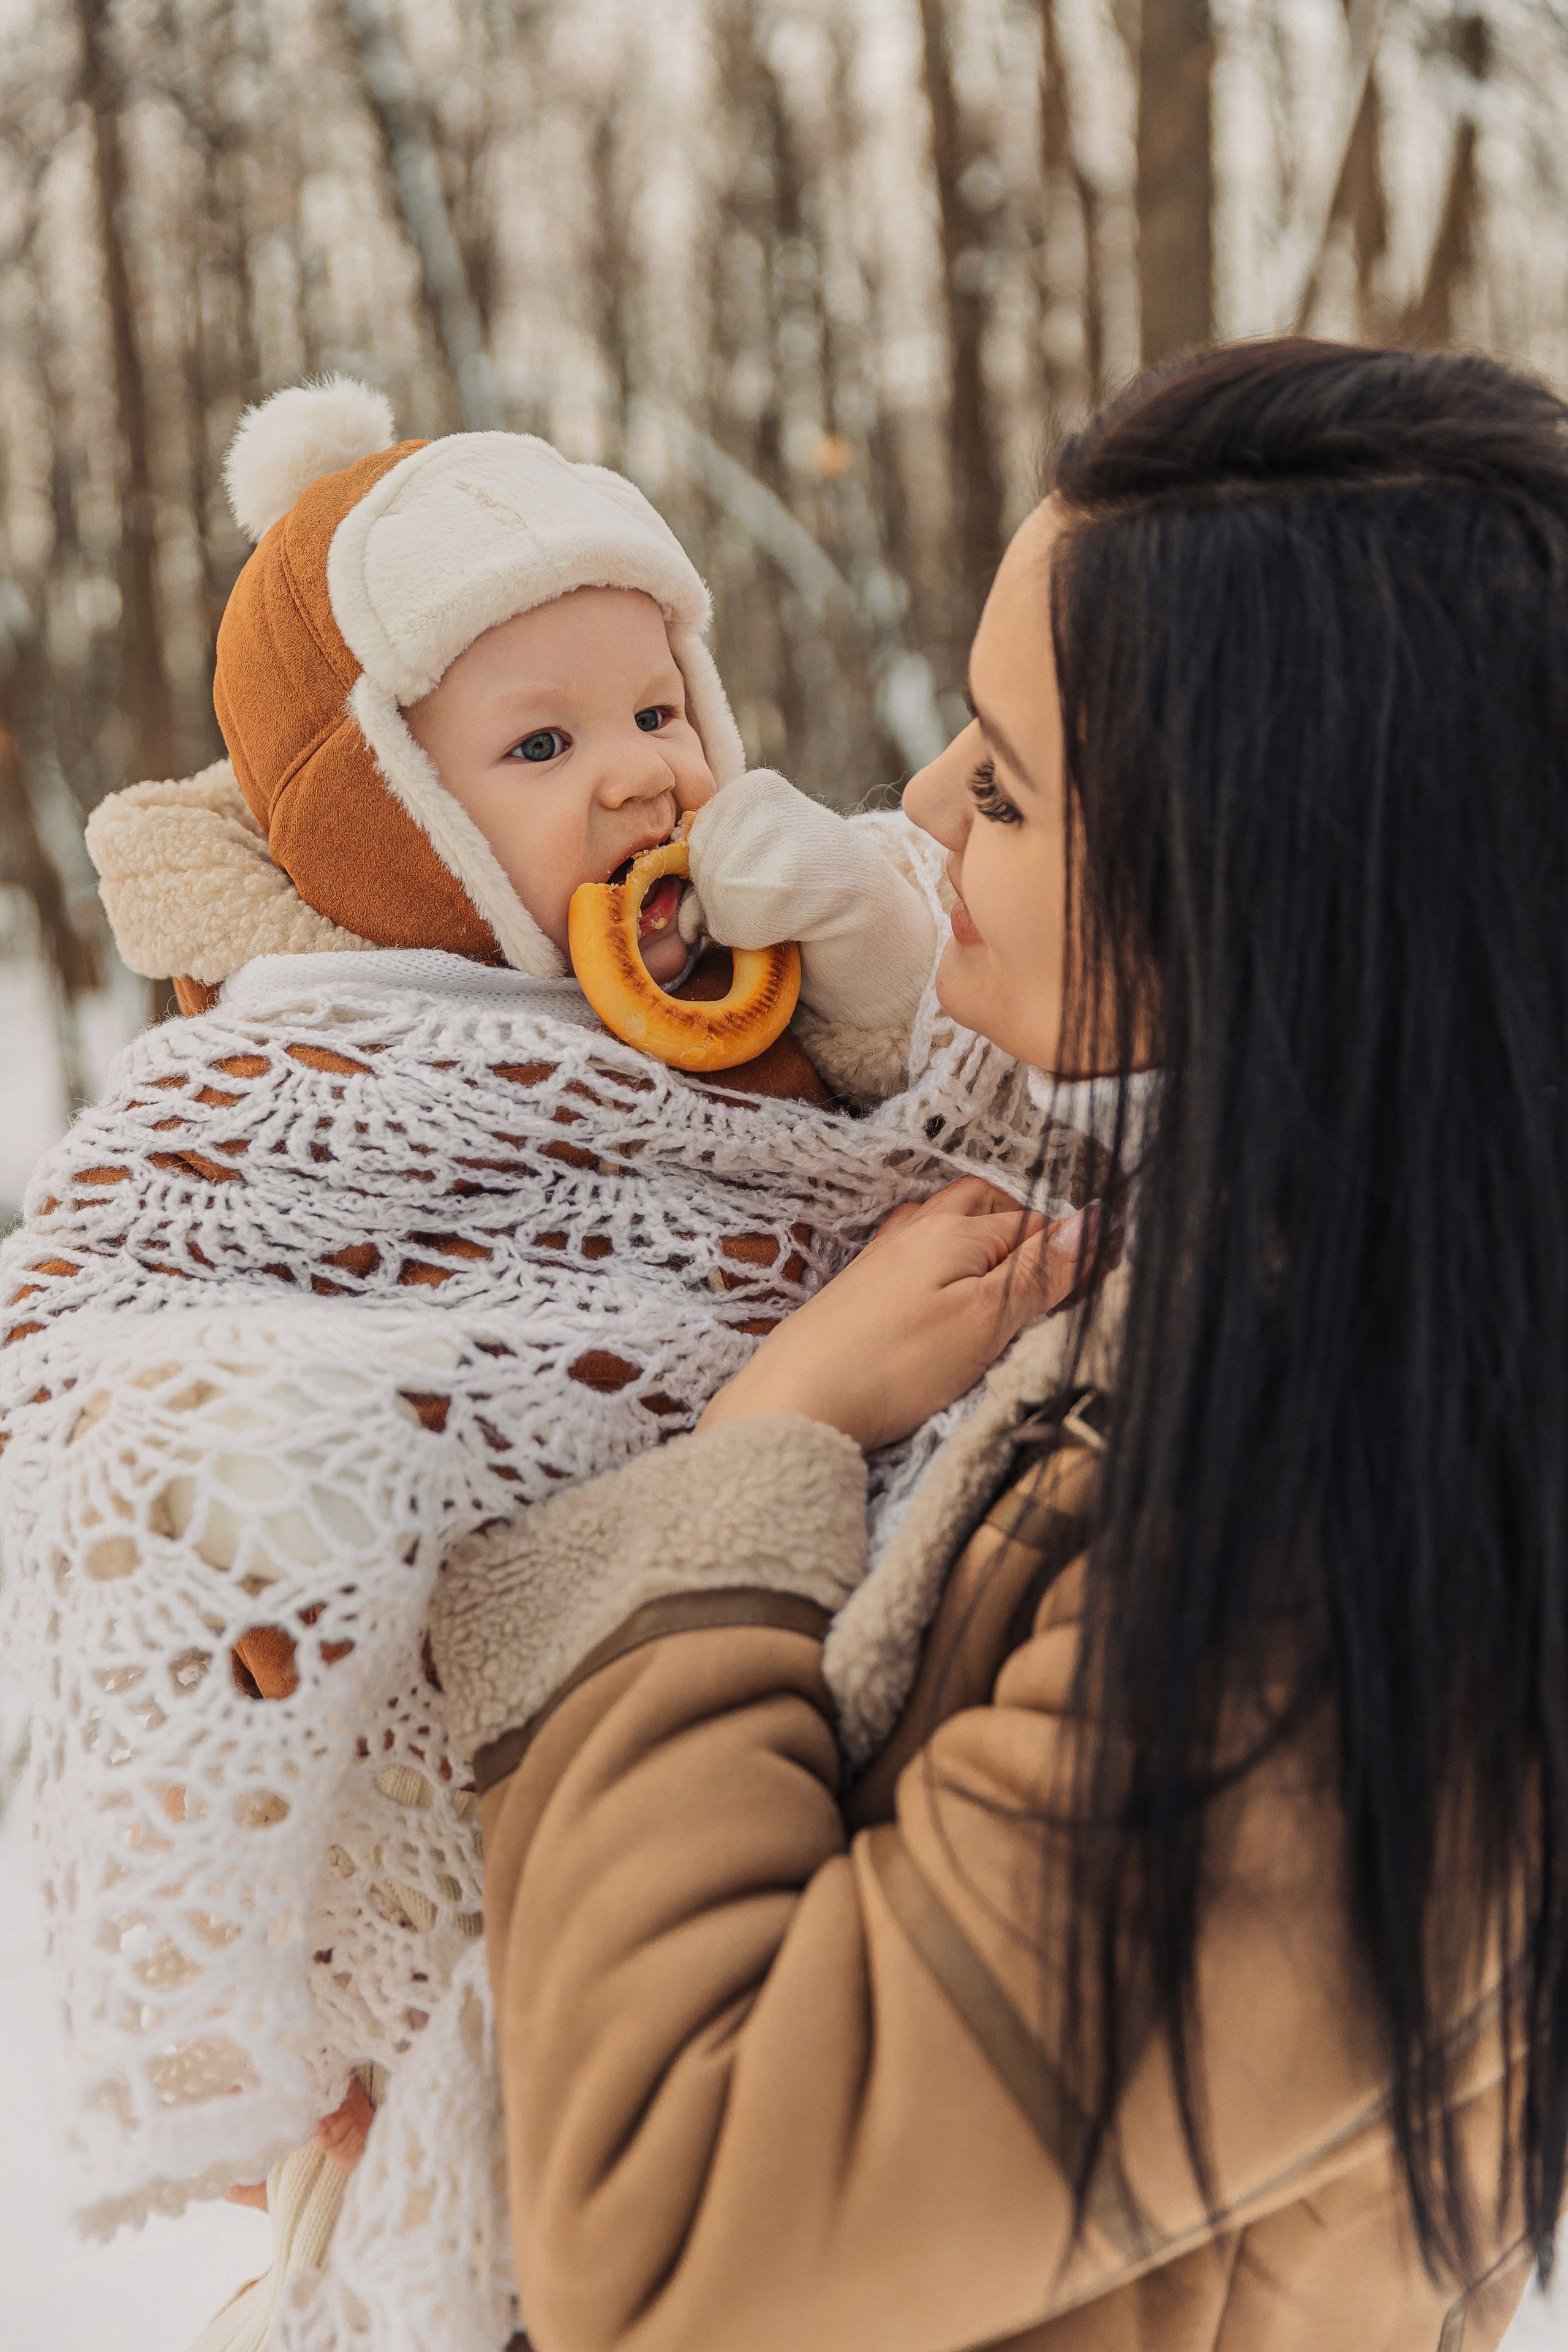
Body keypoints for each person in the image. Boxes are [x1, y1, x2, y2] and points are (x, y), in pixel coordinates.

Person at [429, 337, 1568, 2351]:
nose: (925, 809)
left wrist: (753, 1451)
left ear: (1291, 909)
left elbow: (680, 2242)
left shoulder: (1346, 1589)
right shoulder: (1279, 1304)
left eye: (1013, 787)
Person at [0, 381, 1100, 2349]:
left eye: (660, 710)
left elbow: (890, 1149)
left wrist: (859, 972)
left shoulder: (749, 983)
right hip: (474, 1844)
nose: (635, 779)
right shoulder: (301, 1057)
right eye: (538, 742)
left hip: (701, 1837)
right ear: (381, 820)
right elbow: (118, 1376)